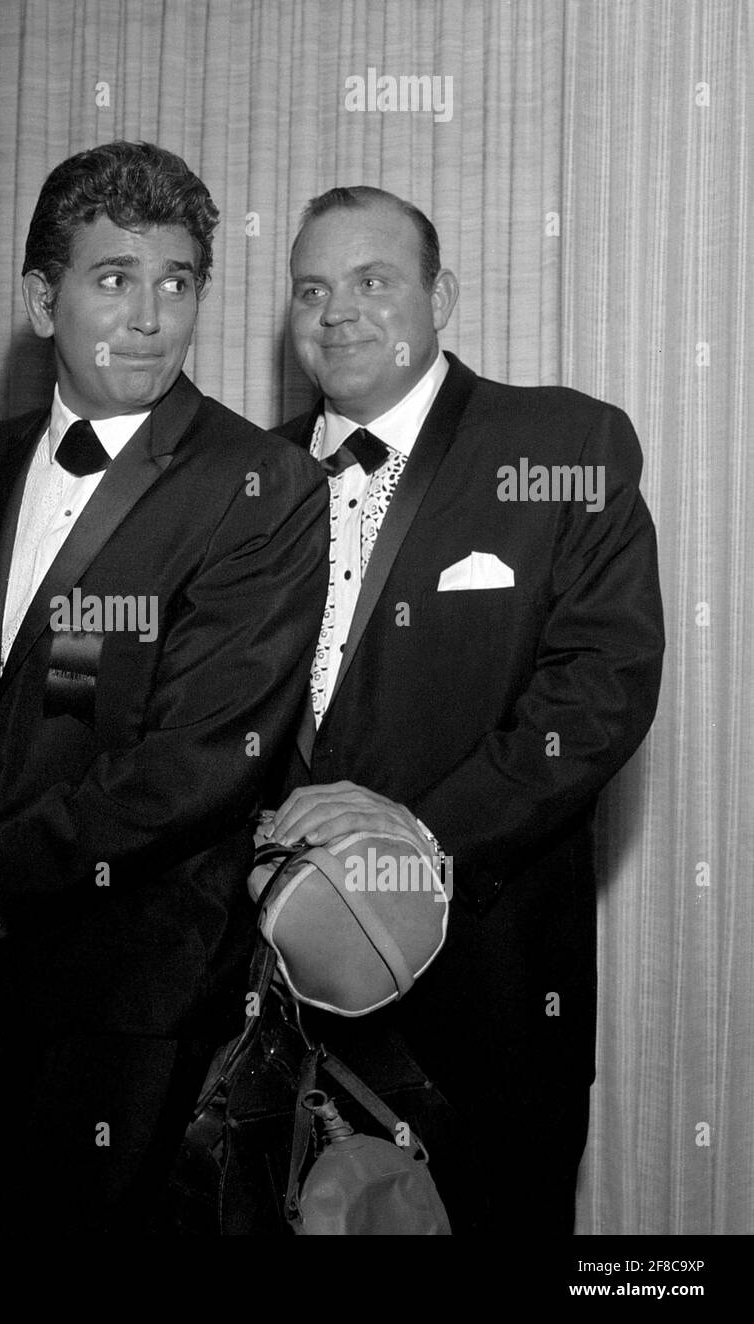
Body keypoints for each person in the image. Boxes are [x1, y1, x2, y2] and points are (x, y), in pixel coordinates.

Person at [0, 141, 330, 1232]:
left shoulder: (263, 485)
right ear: (42, 300)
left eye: (177, 282)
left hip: (135, 993)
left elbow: (194, 766)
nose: (151, 317)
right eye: (113, 278)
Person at [265, 185, 665, 1233]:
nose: (337, 311)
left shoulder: (560, 442)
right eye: (312, 289)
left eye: (372, 281)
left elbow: (598, 689)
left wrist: (414, 835)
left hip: (485, 1003)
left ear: (440, 295)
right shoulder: (246, 476)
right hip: (275, 1005)